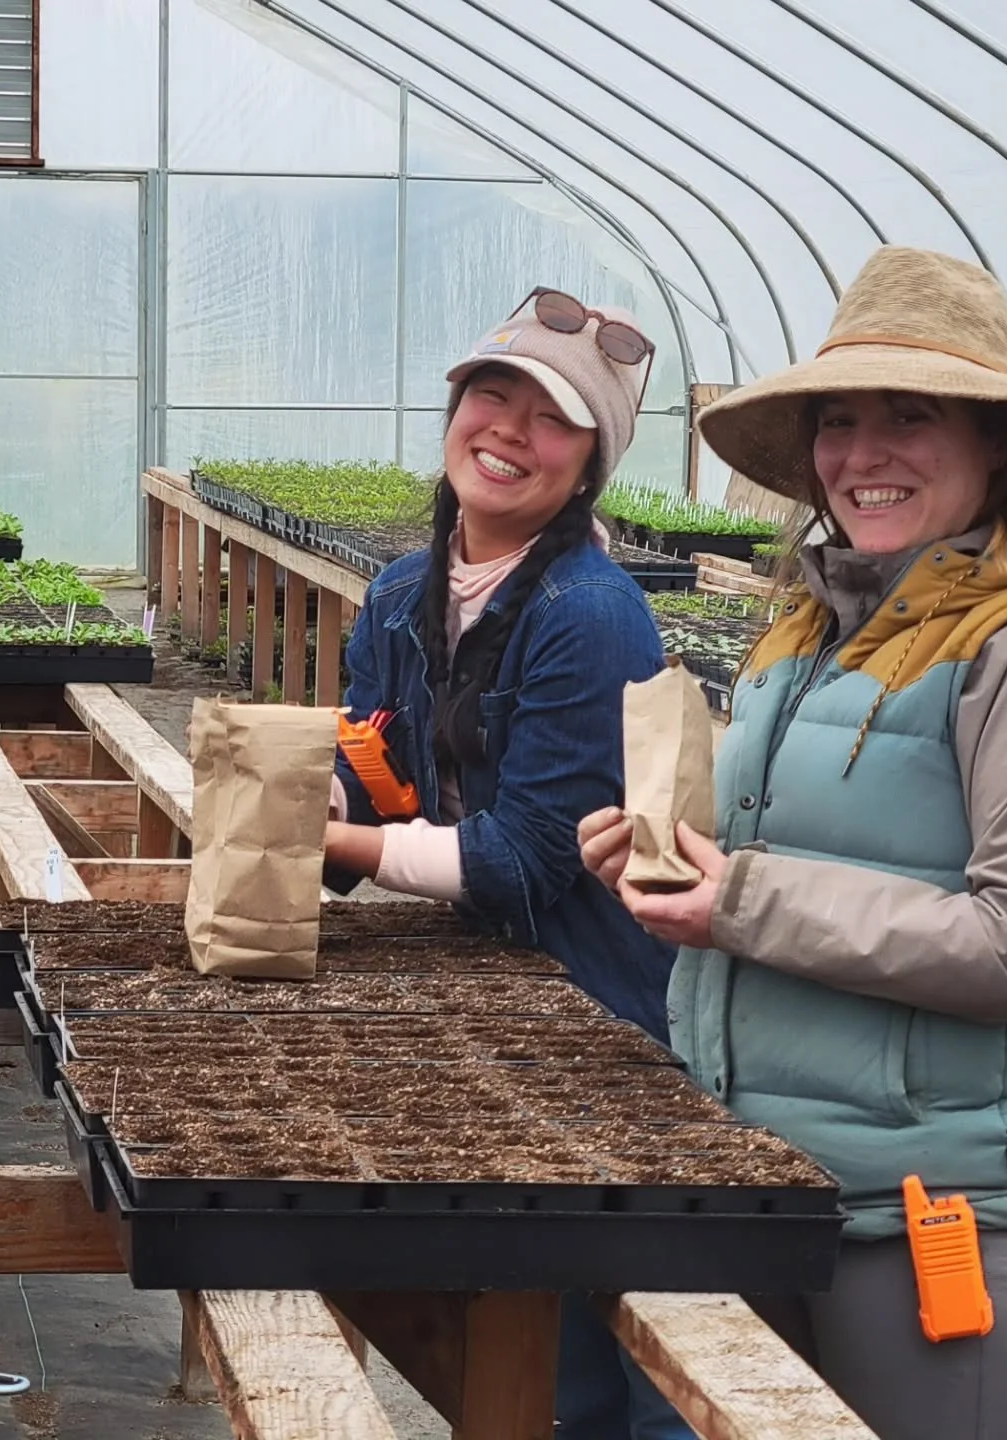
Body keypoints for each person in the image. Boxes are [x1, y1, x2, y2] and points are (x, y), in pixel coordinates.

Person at [578, 246, 1007, 1440]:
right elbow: (817, 853)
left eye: (912, 416)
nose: (864, 455)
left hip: (936, 1211)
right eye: (840, 421)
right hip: (764, 1180)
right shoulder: (815, 621)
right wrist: (666, 849)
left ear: (999, 443)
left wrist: (741, 900)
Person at [323, 287, 696, 1440]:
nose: (511, 430)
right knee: (516, 1332)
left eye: (553, 417)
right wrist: (301, 793)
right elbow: (372, 764)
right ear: (453, 409)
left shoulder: (589, 613)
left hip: (593, 1011)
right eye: (495, 393)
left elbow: (530, 860)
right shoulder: (398, 593)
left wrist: (336, 842)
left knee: (609, 1344)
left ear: (590, 464)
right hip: (478, 999)